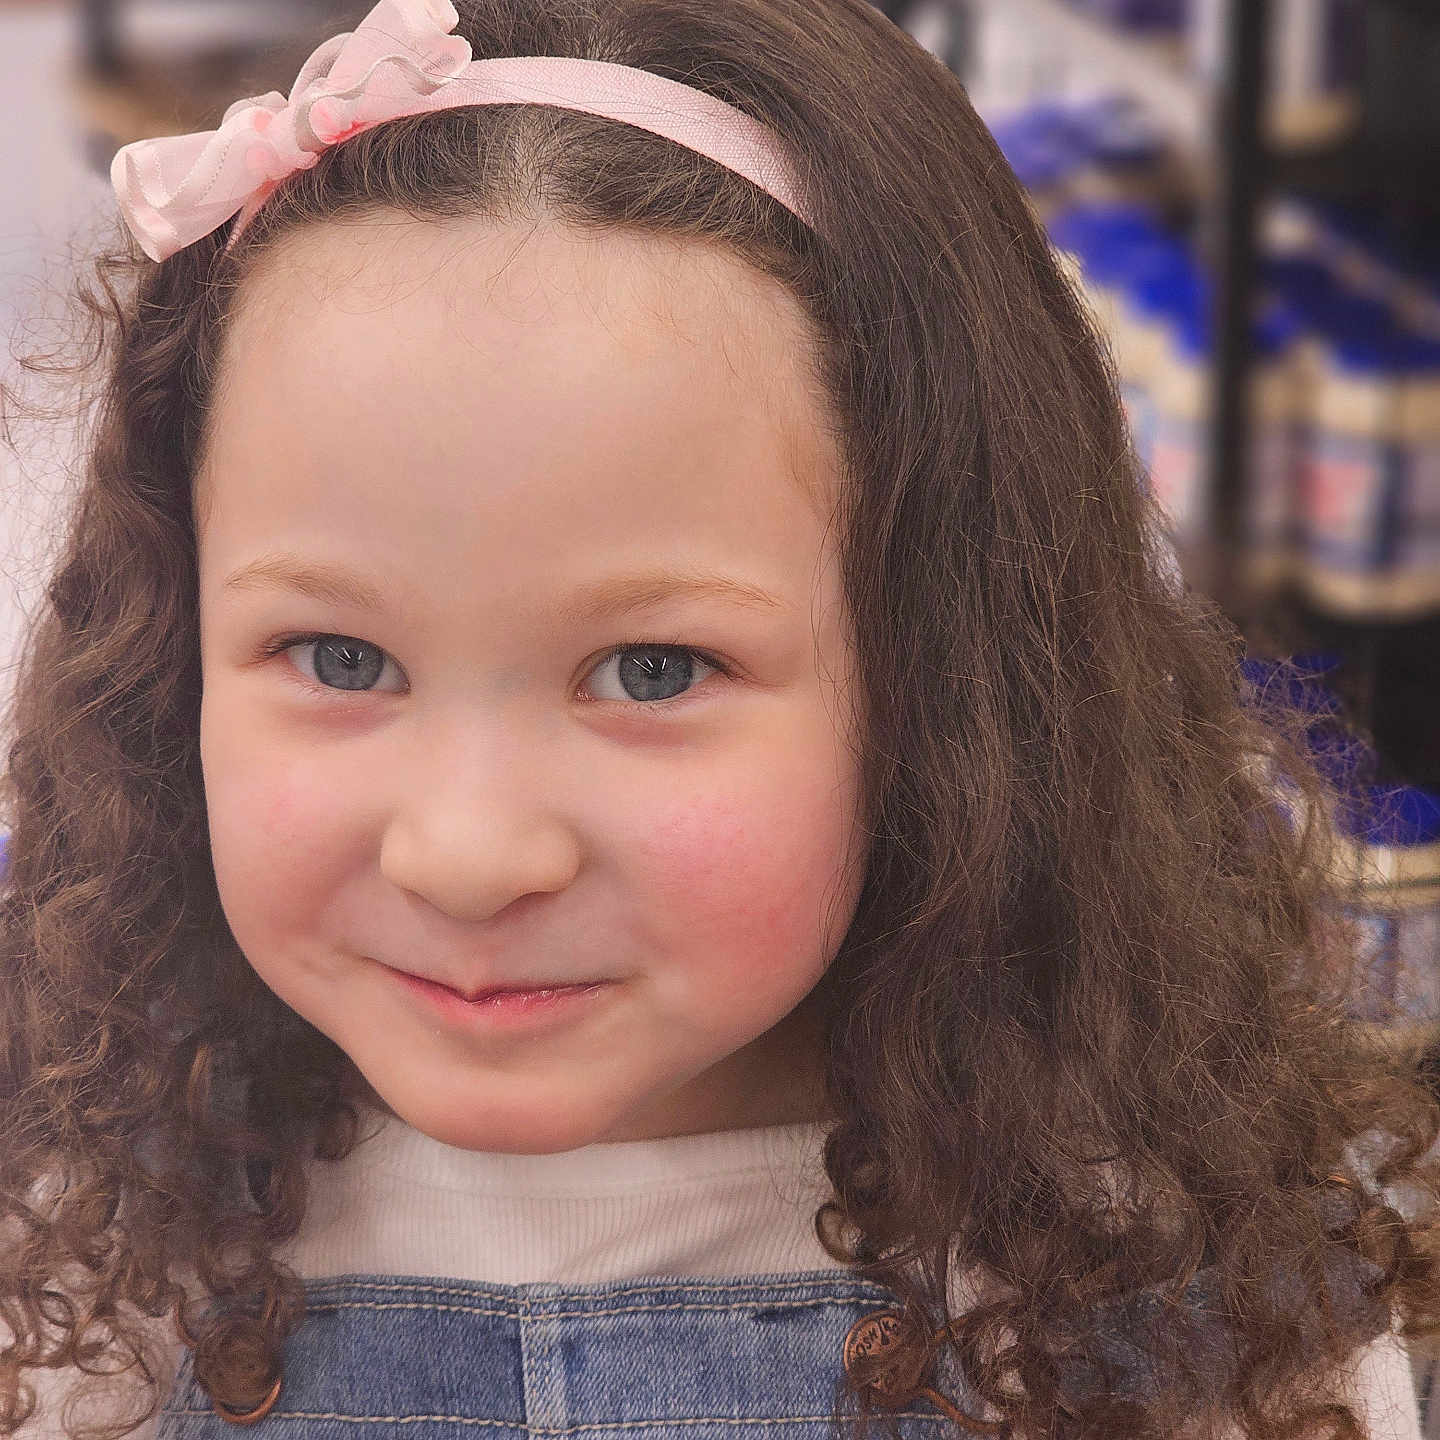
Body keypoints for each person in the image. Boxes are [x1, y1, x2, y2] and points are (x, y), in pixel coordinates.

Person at [1, 0, 1437, 1434]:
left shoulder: (1190, 1318)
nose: (469, 855)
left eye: (653, 671)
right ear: (170, 658)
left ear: (946, 692)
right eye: (339, 657)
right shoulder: (83, 1275)